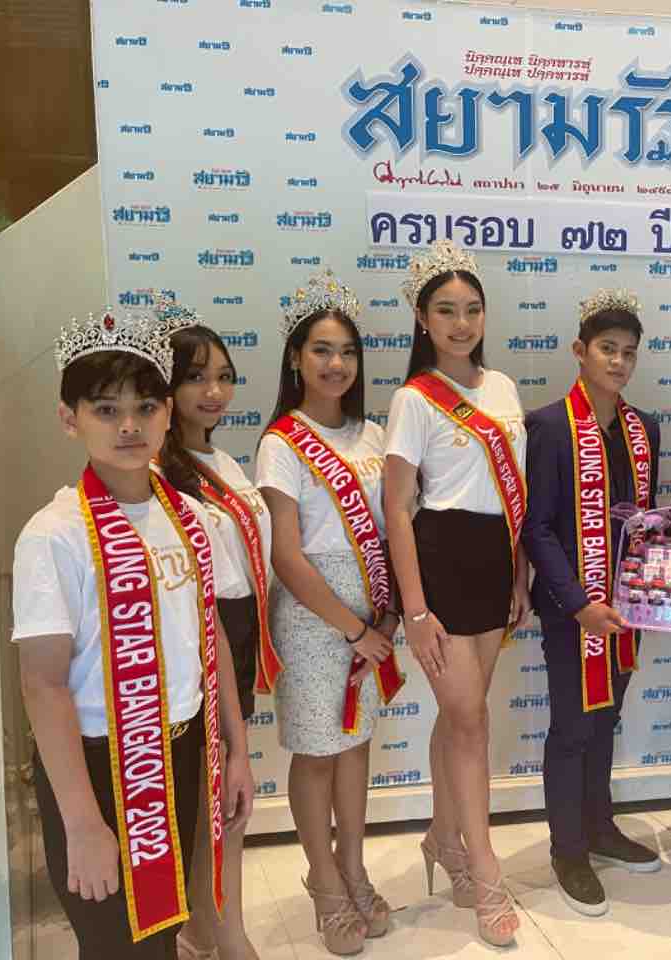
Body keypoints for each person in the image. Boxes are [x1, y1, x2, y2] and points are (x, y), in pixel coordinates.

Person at [14, 308, 253, 959]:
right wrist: (83, 823)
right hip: (98, 765)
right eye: (105, 409)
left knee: (163, 932)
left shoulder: (192, 518)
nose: (128, 425)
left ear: (168, 414)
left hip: (179, 752)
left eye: (145, 407)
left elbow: (211, 641)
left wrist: (235, 751)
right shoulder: (54, 534)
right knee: (115, 944)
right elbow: (42, 685)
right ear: (70, 419)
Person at [383, 240, 530, 947]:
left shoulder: (502, 388)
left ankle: (443, 838)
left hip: (495, 561)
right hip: (439, 558)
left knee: (459, 715)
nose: (461, 323)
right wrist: (414, 610)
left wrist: (520, 573)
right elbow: (397, 507)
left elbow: (514, 494)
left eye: (472, 309)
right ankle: (485, 866)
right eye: (446, 310)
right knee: (470, 720)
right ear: (422, 318)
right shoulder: (413, 399)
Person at [256, 271, 399, 956]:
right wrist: (355, 630)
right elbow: (286, 555)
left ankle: (354, 868)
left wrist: (385, 618)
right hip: (315, 615)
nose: (335, 363)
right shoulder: (282, 442)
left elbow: (392, 528)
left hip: (371, 607)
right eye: (321, 349)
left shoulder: (373, 435)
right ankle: (323, 880)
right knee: (317, 751)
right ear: (295, 358)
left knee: (355, 743)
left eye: (346, 351)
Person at [521, 289, 663, 918]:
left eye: (629, 352)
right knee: (573, 728)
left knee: (606, 720)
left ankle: (601, 827)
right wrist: (578, 603)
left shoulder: (643, 429)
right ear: (580, 351)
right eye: (608, 349)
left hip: (625, 607)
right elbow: (537, 528)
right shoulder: (550, 426)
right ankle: (568, 850)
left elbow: (642, 519)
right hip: (571, 609)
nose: (618, 362)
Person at [153, 302, 270, 960]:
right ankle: (223, 933)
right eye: (196, 377)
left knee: (227, 794)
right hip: (200, 638)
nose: (214, 391)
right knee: (211, 799)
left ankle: (208, 927)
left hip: (239, 631)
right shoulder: (158, 472)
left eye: (224, 376)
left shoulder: (224, 460)